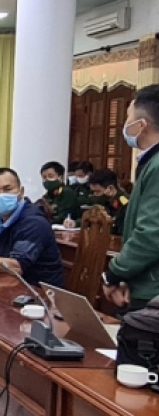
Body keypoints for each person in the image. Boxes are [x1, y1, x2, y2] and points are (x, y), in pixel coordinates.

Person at [102, 84, 159, 311]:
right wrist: (128, 275)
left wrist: (115, 273)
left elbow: (151, 233)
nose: (124, 125)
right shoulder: (151, 162)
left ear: (141, 125)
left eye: (127, 118)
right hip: (144, 282)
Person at [62, 168, 128, 234]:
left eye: (97, 191)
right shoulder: (104, 200)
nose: (95, 195)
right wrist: (75, 223)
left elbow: (119, 229)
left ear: (110, 188)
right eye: (93, 192)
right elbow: (92, 217)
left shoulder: (125, 203)